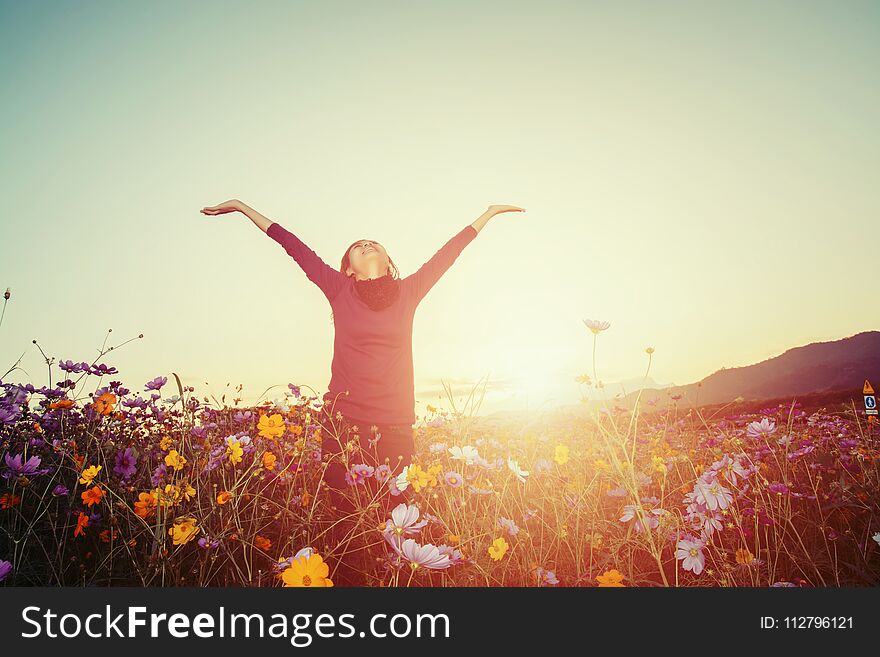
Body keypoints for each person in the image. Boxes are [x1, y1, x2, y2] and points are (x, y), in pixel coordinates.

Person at [199, 199, 526, 516]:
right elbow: (293, 245)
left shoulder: (410, 291)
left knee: (398, 517)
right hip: (343, 424)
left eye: (373, 244)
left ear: (387, 260)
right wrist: (242, 207)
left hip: (397, 427)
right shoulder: (339, 289)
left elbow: (449, 252)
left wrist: (490, 213)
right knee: (346, 516)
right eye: (358, 246)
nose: (367, 245)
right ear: (348, 269)